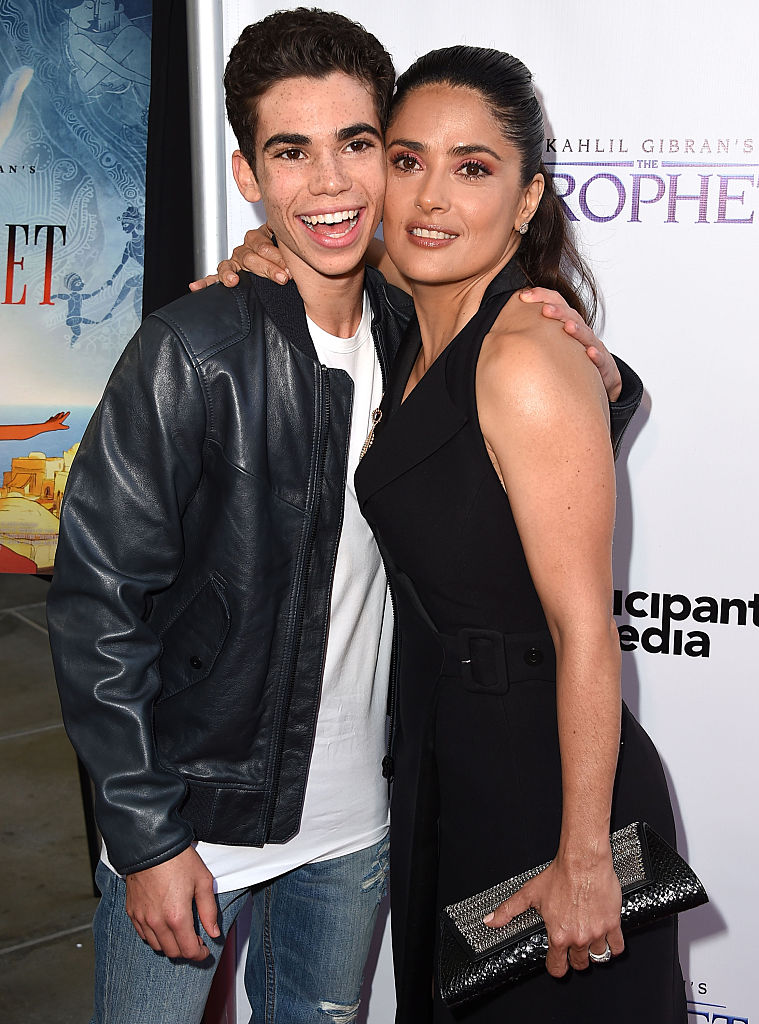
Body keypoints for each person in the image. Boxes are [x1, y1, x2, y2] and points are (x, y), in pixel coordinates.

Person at [47, 10, 638, 1024]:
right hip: (196, 826)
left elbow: (519, 450)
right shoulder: (193, 352)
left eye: (358, 145)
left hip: (359, 826)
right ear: (248, 174)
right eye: (291, 153)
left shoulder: (417, 325)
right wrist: (143, 837)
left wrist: (604, 373)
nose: (330, 183)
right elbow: (97, 606)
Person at [351, 47, 685, 1023]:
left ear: (528, 196)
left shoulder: (524, 357)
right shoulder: (417, 316)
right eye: (406, 161)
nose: (429, 197)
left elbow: (586, 630)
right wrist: (260, 254)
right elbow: (331, 245)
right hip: (453, 765)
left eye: (473, 167)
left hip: (546, 788)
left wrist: (584, 857)